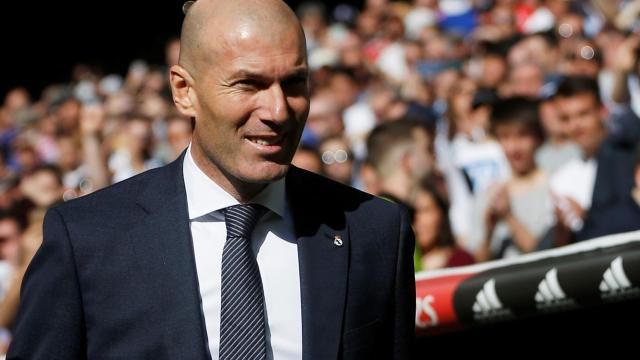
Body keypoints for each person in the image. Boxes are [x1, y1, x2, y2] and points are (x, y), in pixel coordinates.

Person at [7, 0, 416, 359]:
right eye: (248, 84)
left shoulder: (373, 232)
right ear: (184, 91)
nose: (278, 109)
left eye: (294, 83)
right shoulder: (87, 239)